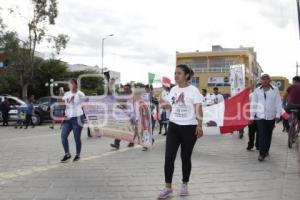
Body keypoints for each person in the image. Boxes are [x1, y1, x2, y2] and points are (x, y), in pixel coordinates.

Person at [158, 64, 204, 199]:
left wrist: (200, 125)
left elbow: (198, 108)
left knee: (185, 157)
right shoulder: (173, 90)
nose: (175, 76)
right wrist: (162, 102)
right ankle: (168, 188)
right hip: (174, 127)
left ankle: (184, 184)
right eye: (175, 73)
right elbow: (170, 108)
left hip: (189, 128)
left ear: (186, 75)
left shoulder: (193, 90)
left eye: (179, 73)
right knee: (169, 157)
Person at [250, 74, 282, 162]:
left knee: (268, 135)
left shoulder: (275, 90)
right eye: (263, 79)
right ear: (261, 81)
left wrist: (278, 115)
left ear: (269, 80)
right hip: (260, 116)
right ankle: (261, 153)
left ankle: (266, 150)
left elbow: (278, 103)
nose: (265, 81)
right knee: (262, 135)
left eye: (266, 79)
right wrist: (251, 116)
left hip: (271, 116)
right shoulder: (257, 91)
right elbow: (253, 104)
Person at [60, 79, 85, 162]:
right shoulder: (67, 94)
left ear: (76, 85)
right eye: (69, 83)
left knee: (76, 137)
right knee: (63, 136)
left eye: (72, 83)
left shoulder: (80, 94)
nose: (70, 85)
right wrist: (61, 95)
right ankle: (67, 154)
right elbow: (62, 106)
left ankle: (78, 154)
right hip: (68, 119)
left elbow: (85, 104)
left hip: (77, 118)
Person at [110, 84, 135, 150]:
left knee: (128, 130)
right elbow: (119, 102)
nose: (125, 90)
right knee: (120, 129)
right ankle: (117, 143)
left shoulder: (133, 97)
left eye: (126, 88)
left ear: (130, 89)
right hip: (123, 115)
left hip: (130, 115)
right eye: (124, 88)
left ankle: (131, 141)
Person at [247, 83, 261, 151]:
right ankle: (250, 144)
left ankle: (258, 145)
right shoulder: (251, 95)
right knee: (251, 132)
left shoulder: (264, 95)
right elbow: (248, 105)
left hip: (261, 116)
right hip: (252, 115)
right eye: (258, 87)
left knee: (259, 132)